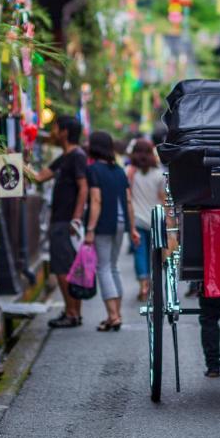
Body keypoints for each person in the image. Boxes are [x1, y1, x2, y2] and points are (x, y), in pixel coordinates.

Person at [27, 115, 88, 328]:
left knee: (63, 268)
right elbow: (39, 177)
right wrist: (15, 162)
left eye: (55, 127)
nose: (52, 131)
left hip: (66, 221)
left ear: (64, 131)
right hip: (60, 220)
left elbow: (83, 187)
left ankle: (72, 313)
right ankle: (72, 312)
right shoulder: (64, 157)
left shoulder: (77, 156)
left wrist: (77, 218)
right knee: (65, 267)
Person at [84, 131, 139, 331]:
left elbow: (96, 201)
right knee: (113, 267)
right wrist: (132, 228)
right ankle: (116, 314)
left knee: (104, 268)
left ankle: (113, 316)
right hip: (121, 222)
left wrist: (90, 229)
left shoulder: (93, 170)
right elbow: (129, 200)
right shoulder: (119, 171)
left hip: (103, 223)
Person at [126, 138, 165, 302]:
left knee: (139, 253)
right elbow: (163, 199)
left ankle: (143, 284)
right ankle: (151, 283)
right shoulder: (159, 174)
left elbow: (127, 199)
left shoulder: (129, 173)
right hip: (155, 219)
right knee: (154, 255)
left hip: (137, 219)